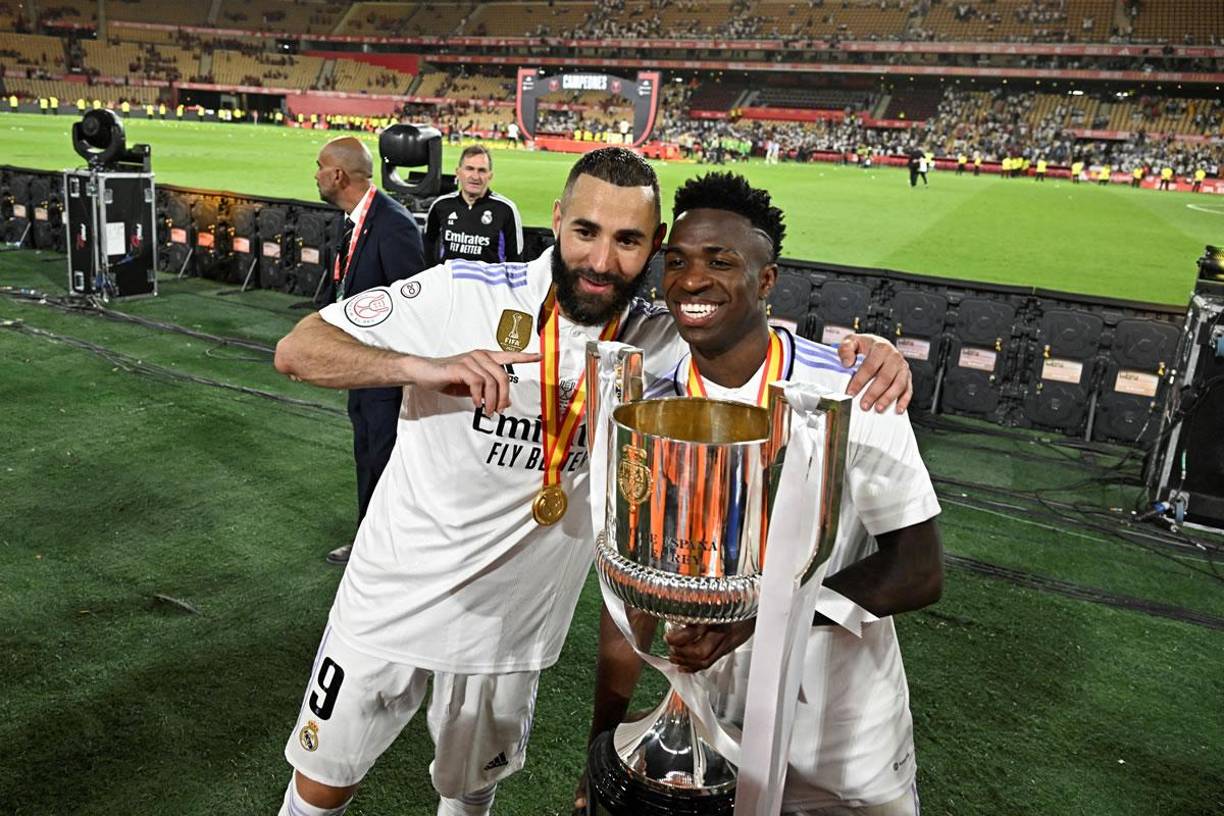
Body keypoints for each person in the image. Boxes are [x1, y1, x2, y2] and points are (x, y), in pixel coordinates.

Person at [272, 147, 913, 816]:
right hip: (392, 599)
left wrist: (869, 355)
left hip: (515, 630)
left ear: (654, 246)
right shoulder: (463, 291)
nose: (602, 260)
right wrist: (420, 366)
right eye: (586, 232)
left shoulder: (660, 340)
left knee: (470, 790)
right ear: (557, 220)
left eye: (628, 240)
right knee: (322, 787)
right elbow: (299, 349)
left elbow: (752, 336)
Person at [576, 172, 943, 816]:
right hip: (708, 742)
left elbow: (918, 570)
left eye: (721, 262)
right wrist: (601, 744)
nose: (692, 280)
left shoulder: (852, 391)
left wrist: (759, 619)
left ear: (766, 280)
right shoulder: (650, 403)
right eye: (678, 261)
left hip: (841, 748)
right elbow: (635, 596)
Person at [314, 136, 426, 566]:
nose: (316, 174)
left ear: (338, 175)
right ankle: (369, 539)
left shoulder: (393, 224)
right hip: (358, 367)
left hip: (384, 373)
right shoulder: (354, 220)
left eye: (320, 166)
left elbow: (412, 307)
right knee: (367, 453)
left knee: (384, 459)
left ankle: (386, 550)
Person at [423, 145, 524, 264]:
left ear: (490, 176)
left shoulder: (506, 209)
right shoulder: (441, 205)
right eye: (469, 169)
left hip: (490, 277)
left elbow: (516, 261)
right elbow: (426, 248)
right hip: (450, 276)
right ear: (458, 172)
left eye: (482, 170)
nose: (475, 176)